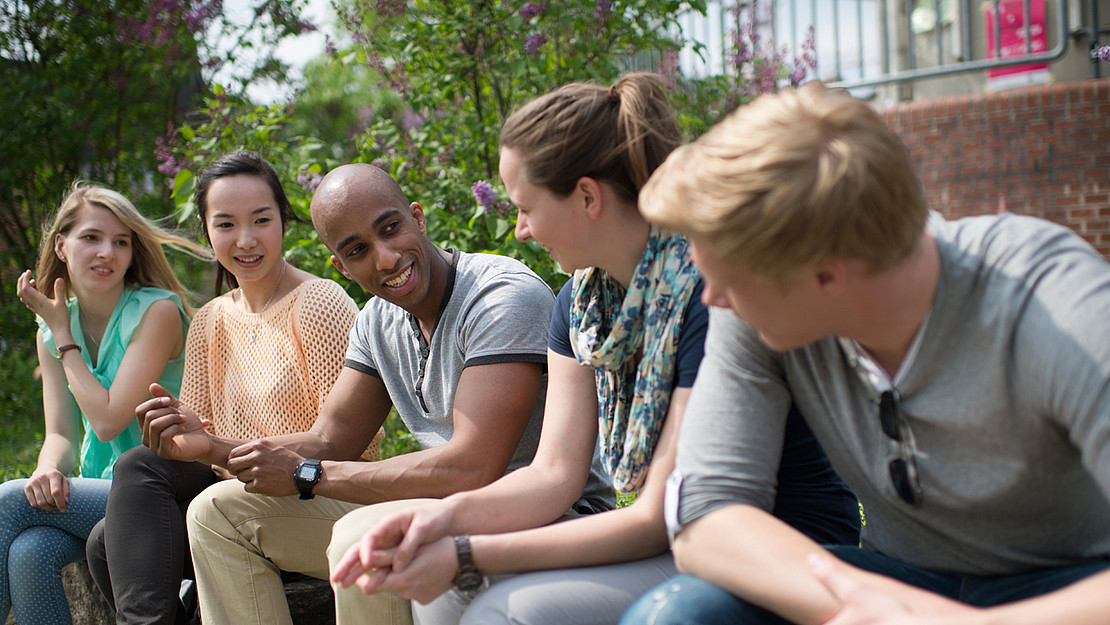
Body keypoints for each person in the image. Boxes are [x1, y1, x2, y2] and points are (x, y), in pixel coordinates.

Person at [329, 73, 860, 625]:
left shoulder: (708, 291)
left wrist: (465, 551)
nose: (519, 231)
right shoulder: (580, 305)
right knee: (446, 589)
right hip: (683, 539)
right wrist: (442, 522)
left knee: (507, 611)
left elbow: (658, 514)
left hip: (773, 544)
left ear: (586, 196)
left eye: (527, 208)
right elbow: (553, 474)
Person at [618, 80, 1110, 625]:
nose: (711, 299)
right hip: (893, 577)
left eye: (726, 281)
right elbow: (707, 518)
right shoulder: (752, 316)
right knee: (679, 616)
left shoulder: (1056, 306)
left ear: (826, 274)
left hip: (1075, 587)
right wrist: (897, 612)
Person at [140, 162, 614, 625]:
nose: (385, 257)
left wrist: (309, 475)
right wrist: (214, 448)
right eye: (358, 250)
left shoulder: (499, 295)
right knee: (215, 513)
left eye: (390, 228)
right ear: (340, 266)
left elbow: (472, 466)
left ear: (417, 217)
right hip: (441, 509)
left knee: (358, 537)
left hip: (545, 514)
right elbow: (329, 439)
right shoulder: (376, 321)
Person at [84, 151, 369, 625]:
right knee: (107, 534)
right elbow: (197, 448)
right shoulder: (211, 320)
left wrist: (213, 448)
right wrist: (177, 433)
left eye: (261, 220)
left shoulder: (318, 302)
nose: (246, 240)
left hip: (312, 494)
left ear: (284, 220)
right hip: (230, 488)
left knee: (114, 531)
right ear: (206, 229)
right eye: (226, 224)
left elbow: (345, 445)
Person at [3, 181, 206, 625]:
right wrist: (47, 468)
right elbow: (60, 433)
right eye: (91, 238)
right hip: (98, 490)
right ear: (61, 244)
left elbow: (110, 419)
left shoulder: (157, 311)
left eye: (121, 242)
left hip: (154, 495)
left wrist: (63, 339)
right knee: (29, 552)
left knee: (7, 502)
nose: (107, 253)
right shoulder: (53, 326)